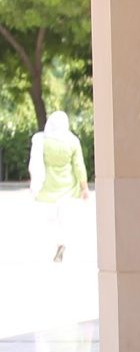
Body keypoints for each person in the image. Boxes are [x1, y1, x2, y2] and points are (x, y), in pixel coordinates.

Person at [27, 112, 88, 263]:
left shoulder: (43, 140)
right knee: (65, 218)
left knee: (51, 218)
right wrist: (84, 186)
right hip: (68, 186)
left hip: (48, 186)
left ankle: (56, 243)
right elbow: (79, 166)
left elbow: (36, 162)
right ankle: (63, 242)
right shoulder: (73, 141)